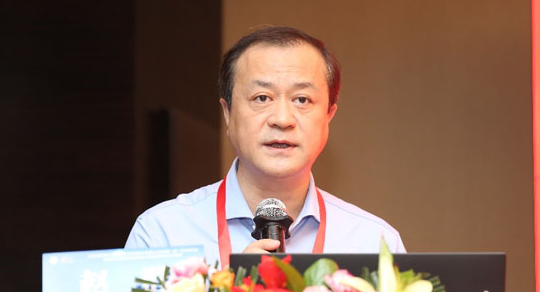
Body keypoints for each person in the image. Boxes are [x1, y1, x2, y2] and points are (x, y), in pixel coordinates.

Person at [125, 26, 405, 266]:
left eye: (302, 100)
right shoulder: (162, 234)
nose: (282, 119)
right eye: (261, 98)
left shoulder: (374, 244)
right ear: (227, 113)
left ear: (328, 116)